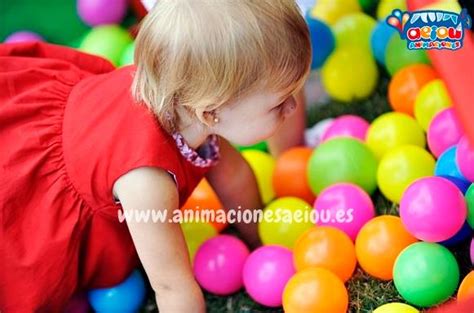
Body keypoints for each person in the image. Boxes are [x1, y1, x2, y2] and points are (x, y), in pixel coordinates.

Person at [0, 0, 311, 312]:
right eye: (280, 102)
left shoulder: (192, 103)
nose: (293, 108)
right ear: (211, 112)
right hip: (32, 199)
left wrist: (259, 238)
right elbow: (171, 285)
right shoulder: (148, 181)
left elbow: (234, 177)